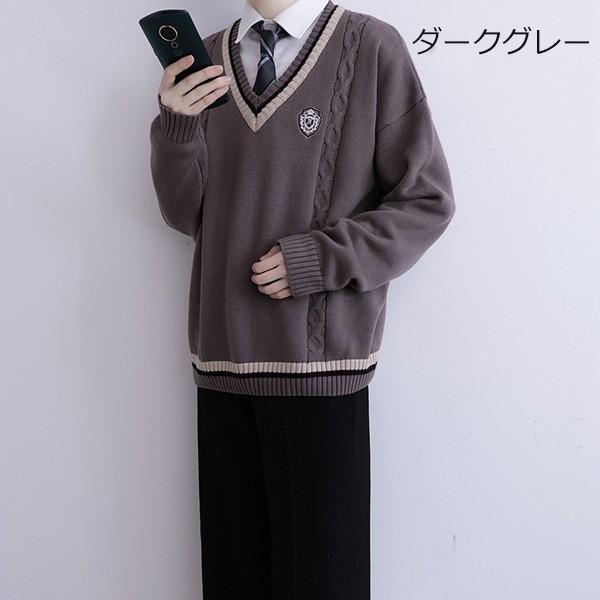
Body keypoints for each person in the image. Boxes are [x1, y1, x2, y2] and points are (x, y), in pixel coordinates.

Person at [148, 0, 455, 597]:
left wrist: (322, 259)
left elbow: (427, 201)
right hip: (223, 364)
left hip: (320, 372)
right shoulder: (205, 56)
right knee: (233, 583)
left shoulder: (371, 46)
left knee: (323, 583)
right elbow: (186, 215)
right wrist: (176, 126)